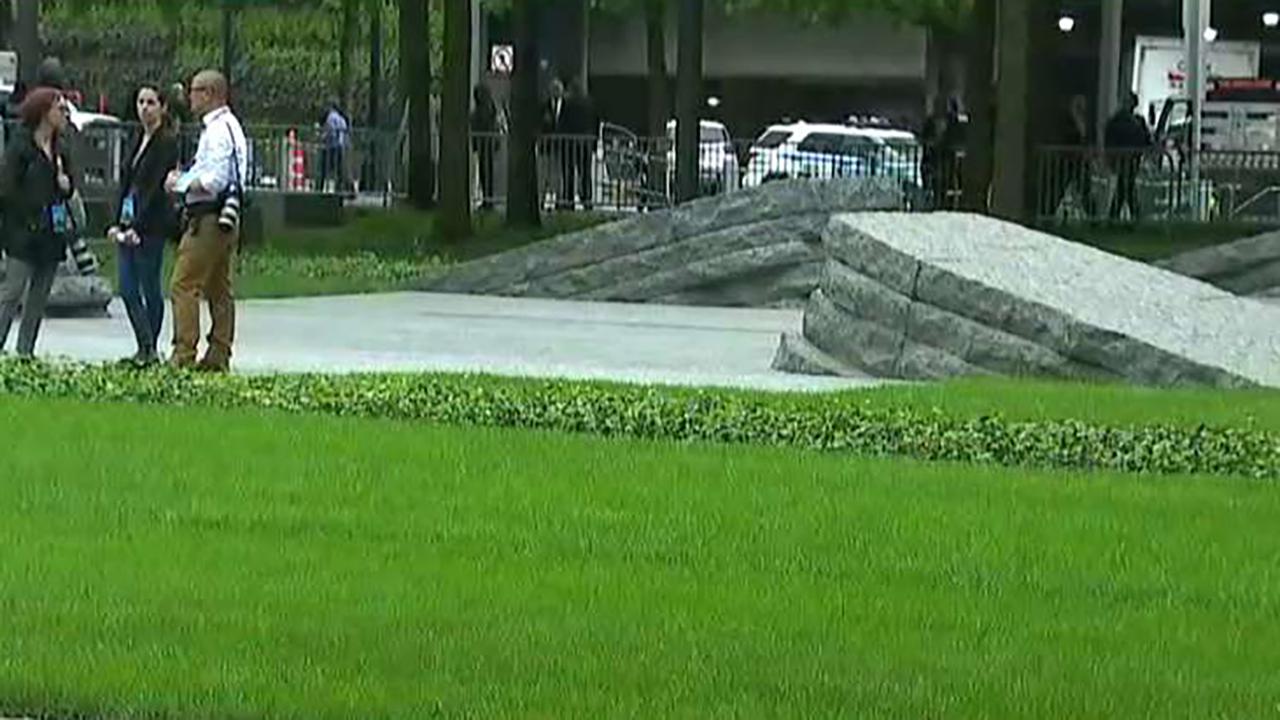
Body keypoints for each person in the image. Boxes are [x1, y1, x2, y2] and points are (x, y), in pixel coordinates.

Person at [164, 70, 248, 373]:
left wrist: (180, 182)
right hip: (227, 216)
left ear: (210, 94)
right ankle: (218, 353)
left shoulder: (216, 130)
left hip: (208, 217)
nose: (190, 97)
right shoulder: (233, 127)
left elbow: (213, 180)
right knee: (219, 287)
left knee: (183, 284)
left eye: (195, 91)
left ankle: (183, 353)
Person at [0, 88, 77, 359]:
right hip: (23, 230)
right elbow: (7, 188)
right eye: (60, 109)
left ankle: (25, 351)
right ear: (44, 112)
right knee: (12, 292)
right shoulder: (21, 145)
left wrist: (66, 186)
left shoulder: (60, 147)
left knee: (39, 296)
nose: (64, 115)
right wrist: (28, 213)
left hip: (52, 231)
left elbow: (69, 184)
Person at [109, 85, 180, 367]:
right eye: (141, 102)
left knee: (149, 285)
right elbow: (126, 183)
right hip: (128, 219)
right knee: (127, 287)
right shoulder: (136, 137)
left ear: (162, 107)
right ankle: (144, 344)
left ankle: (148, 348)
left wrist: (137, 226)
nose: (145, 108)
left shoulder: (166, 142)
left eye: (151, 102)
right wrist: (117, 222)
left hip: (150, 225)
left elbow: (154, 189)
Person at [1105, 91, 1153, 224]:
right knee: (1126, 187)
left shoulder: (1125, 120)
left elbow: (1109, 138)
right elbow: (1145, 140)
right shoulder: (1127, 121)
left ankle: (1116, 217)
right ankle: (1130, 216)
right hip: (1127, 157)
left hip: (1129, 158)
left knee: (1125, 187)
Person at [560, 79, 597, 211]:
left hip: (569, 142)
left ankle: (569, 201)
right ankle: (587, 200)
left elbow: (563, 123)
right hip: (585, 141)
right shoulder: (590, 103)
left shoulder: (568, 103)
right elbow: (595, 122)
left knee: (568, 173)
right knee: (585, 173)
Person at [471, 84, 500, 211]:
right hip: (485, 143)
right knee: (485, 172)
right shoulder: (489, 108)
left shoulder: (485, 110)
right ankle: (487, 199)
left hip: (486, 143)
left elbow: (482, 123)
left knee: (486, 172)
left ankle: (488, 200)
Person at [319, 100, 349, 193]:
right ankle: (339, 188)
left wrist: (323, 137)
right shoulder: (342, 119)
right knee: (339, 170)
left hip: (331, 146)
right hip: (340, 147)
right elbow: (345, 133)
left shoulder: (330, 118)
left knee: (324, 169)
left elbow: (330, 131)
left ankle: (320, 188)